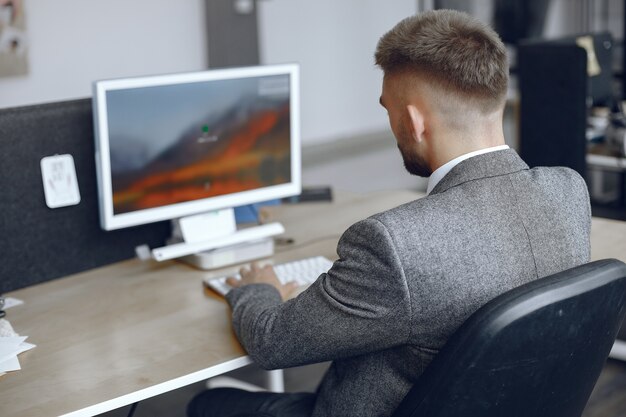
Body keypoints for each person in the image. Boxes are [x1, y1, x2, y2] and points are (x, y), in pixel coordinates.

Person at [188, 9, 591, 417]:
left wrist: (258, 288)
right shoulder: (568, 191)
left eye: (388, 109)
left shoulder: (395, 244)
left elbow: (272, 342)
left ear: (414, 121)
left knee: (208, 403)